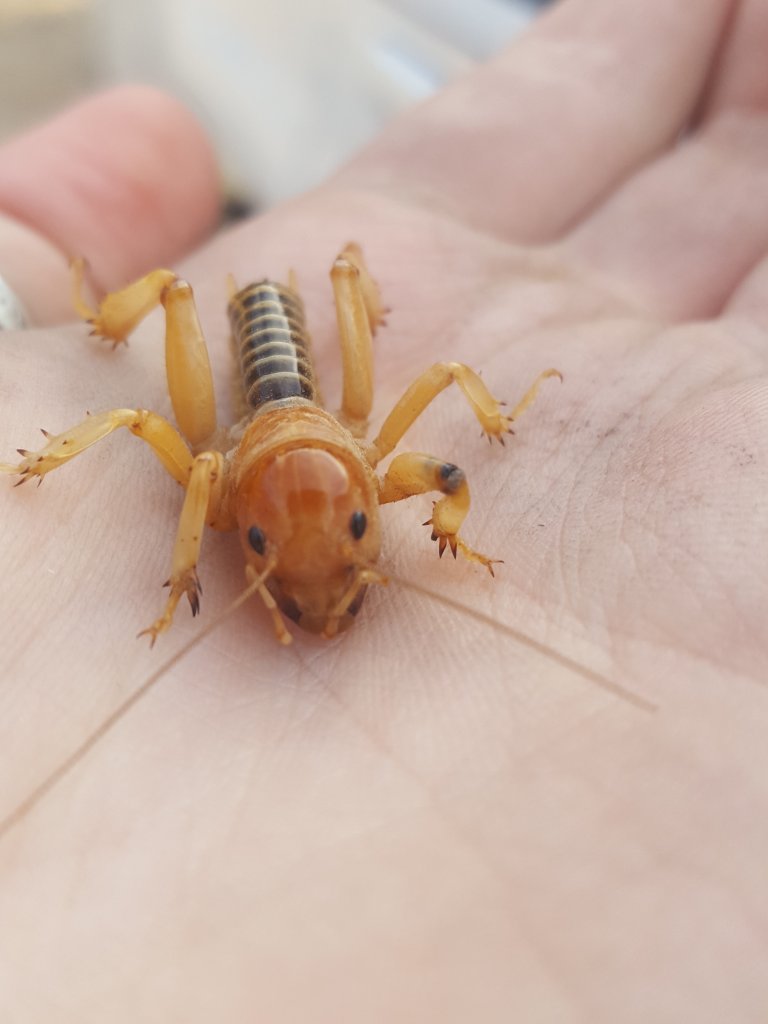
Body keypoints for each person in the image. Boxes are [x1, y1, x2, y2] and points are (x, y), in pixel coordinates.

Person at [1, 0, 766, 1018]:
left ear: (372, 500)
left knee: (427, 364)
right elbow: (192, 470)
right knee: (162, 372)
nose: (321, 581)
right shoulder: (218, 480)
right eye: (276, 551)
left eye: (353, 538)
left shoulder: (361, 459)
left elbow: (447, 479)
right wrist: (184, 572)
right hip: (254, 380)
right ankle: (112, 315)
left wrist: (455, 516)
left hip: (322, 404)